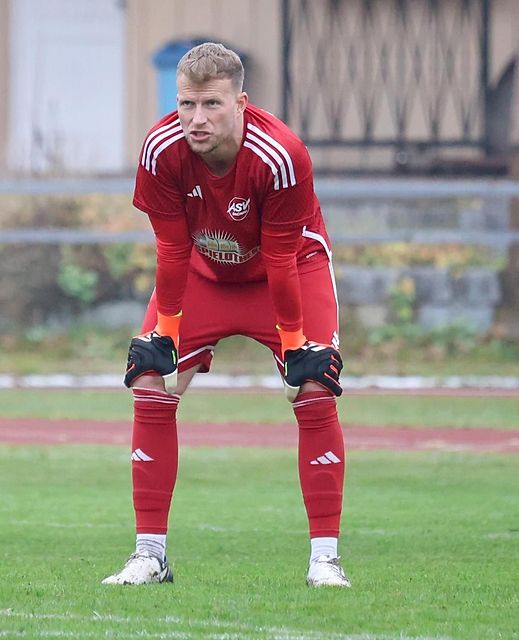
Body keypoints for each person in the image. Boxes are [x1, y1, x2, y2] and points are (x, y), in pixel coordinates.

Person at [101, 42, 349, 588]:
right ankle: (150, 555)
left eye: (211, 104)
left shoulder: (281, 154)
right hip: (203, 272)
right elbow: (170, 249)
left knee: (312, 388)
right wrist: (164, 334)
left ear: (241, 102)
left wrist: (295, 348)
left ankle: (324, 561)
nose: (196, 119)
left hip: (286, 272)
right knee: (150, 379)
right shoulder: (160, 150)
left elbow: (281, 255)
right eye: (186, 104)